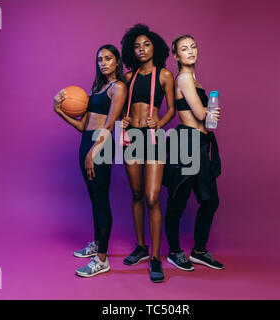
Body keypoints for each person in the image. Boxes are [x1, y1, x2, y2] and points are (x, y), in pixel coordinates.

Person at [54, 44, 127, 277]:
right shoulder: (97, 87)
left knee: (101, 199)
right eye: (99, 59)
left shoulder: (118, 87)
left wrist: (93, 152)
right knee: (94, 198)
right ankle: (97, 243)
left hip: (100, 145)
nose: (103, 63)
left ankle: (102, 259)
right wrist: (59, 110)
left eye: (108, 58)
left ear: (117, 61)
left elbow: (110, 124)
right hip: (87, 141)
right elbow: (82, 126)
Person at [163, 35, 224, 272]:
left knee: (210, 200)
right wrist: (210, 112)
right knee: (178, 202)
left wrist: (211, 114)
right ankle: (175, 252)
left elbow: (206, 119)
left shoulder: (196, 82)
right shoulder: (185, 78)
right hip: (186, 142)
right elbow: (201, 115)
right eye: (184, 49)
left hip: (200, 142)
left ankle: (198, 251)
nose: (190, 51)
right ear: (176, 56)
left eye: (193, 47)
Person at [120, 24, 175, 283]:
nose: (141, 49)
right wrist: (123, 119)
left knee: (153, 197)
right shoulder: (128, 78)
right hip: (132, 137)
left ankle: (155, 257)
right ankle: (141, 246)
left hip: (153, 137)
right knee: (137, 193)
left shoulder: (164, 75)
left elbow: (172, 110)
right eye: (136, 46)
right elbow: (121, 108)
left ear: (156, 47)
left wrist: (160, 123)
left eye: (146, 45)